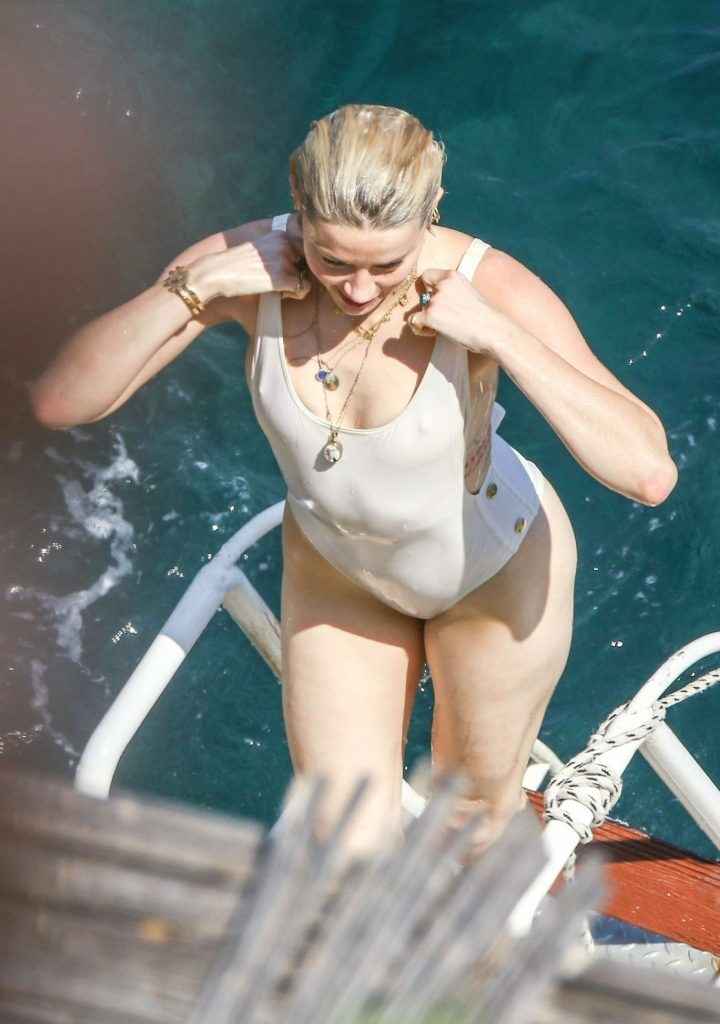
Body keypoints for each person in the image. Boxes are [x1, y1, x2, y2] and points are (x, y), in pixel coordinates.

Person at [30, 103, 677, 862]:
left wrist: (498, 333)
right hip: (340, 575)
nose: (360, 289)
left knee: (468, 818)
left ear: (432, 214)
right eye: (333, 261)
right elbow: (62, 401)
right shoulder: (246, 266)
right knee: (342, 837)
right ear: (299, 209)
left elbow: (648, 472)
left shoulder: (486, 284)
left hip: (491, 572)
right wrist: (195, 285)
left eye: (387, 265)